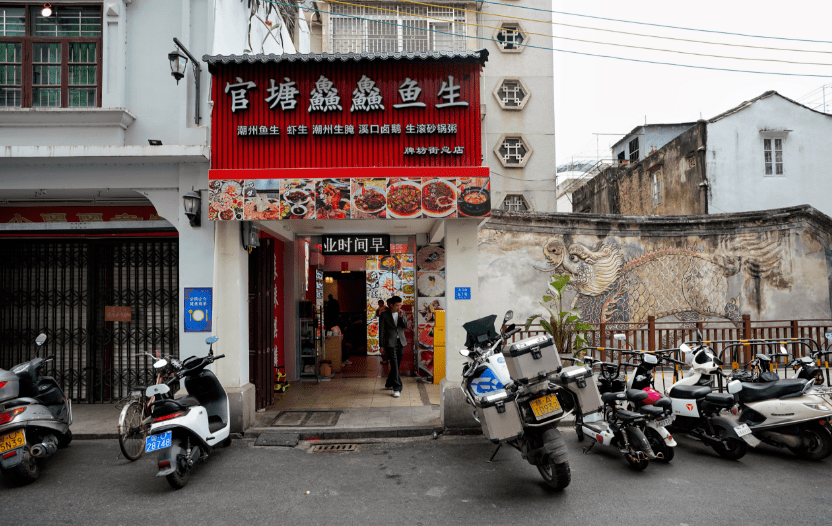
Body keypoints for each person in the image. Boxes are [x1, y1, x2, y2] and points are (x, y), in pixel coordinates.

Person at [378, 296, 407, 397]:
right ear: (391, 305)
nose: (399, 307)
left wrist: (402, 316)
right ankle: (397, 387)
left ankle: (389, 382)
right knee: (394, 363)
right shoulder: (384, 315)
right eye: (397, 305)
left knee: (397, 364)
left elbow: (405, 326)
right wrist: (381, 345)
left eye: (400, 305)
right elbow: (381, 331)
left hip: (401, 342)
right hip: (390, 342)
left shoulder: (402, 313)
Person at [374, 299, 389, 364]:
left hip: (385, 327)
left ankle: (386, 358)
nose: (380, 304)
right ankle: (385, 358)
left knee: (384, 343)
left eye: (381, 303)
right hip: (383, 326)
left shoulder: (386, 308)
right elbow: (377, 315)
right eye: (379, 303)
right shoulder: (378, 309)